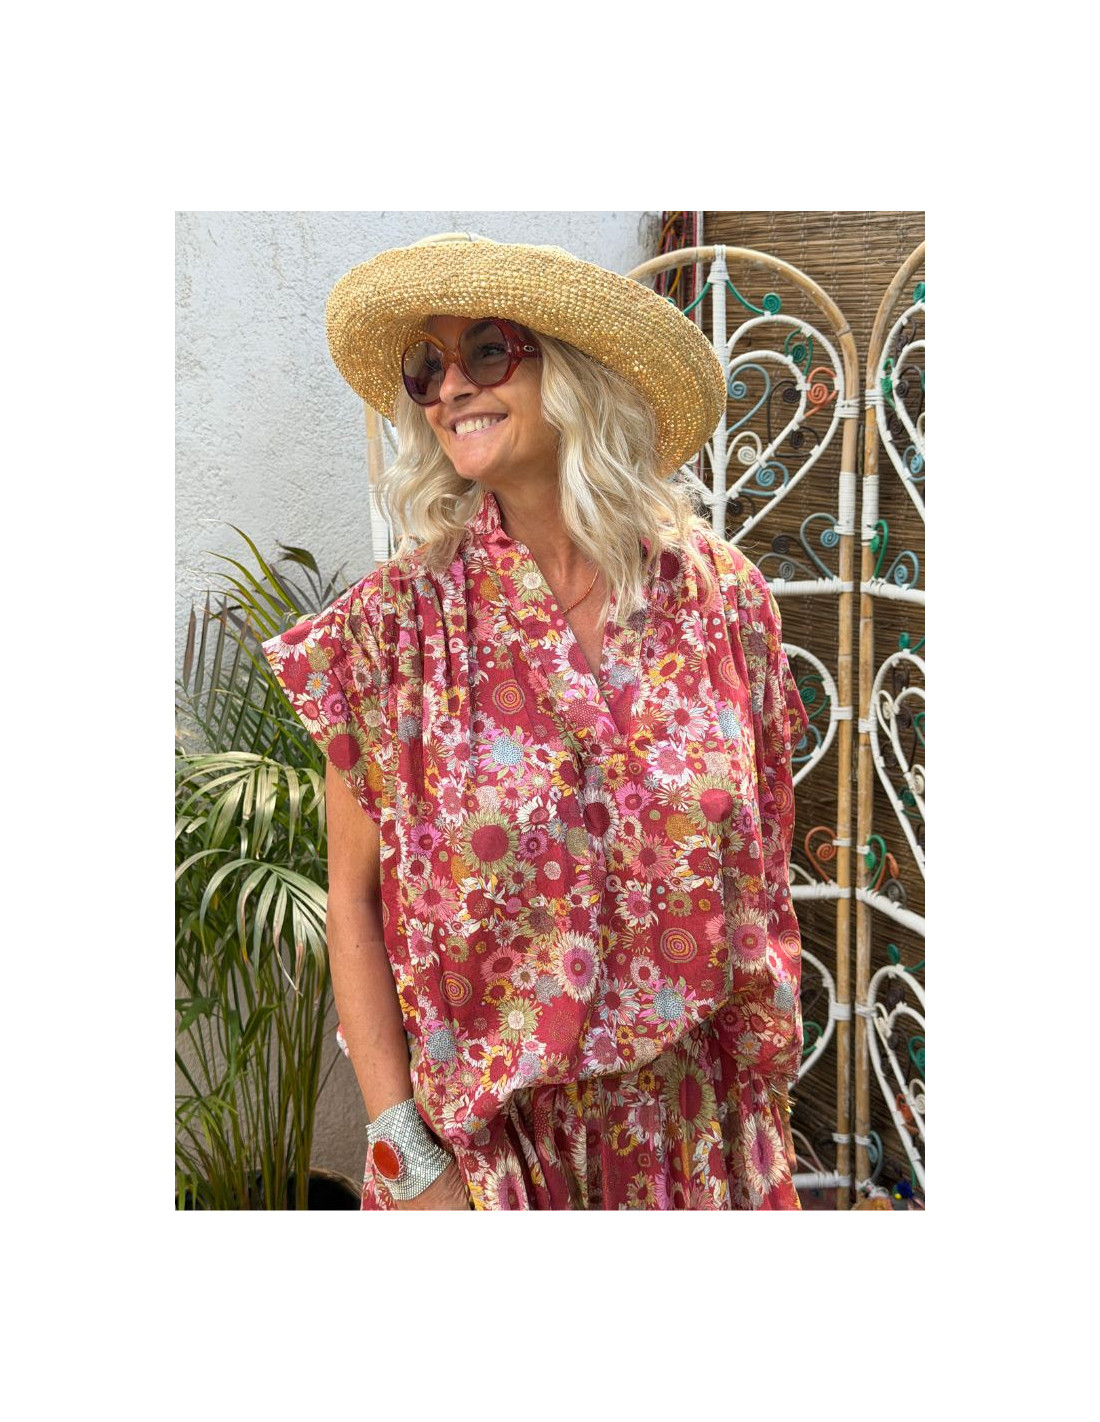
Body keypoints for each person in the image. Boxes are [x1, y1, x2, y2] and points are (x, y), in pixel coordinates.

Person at [262, 234, 808, 1210]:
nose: (449, 388)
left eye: (486, 350)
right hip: (492, 1168)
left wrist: (759, 1114)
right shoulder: (393, 634)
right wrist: (408, 1163)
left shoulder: (727, 602)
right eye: (426, 367)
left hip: (700, 1144)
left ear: (579, 373)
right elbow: (352, 901)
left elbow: (765, 866)